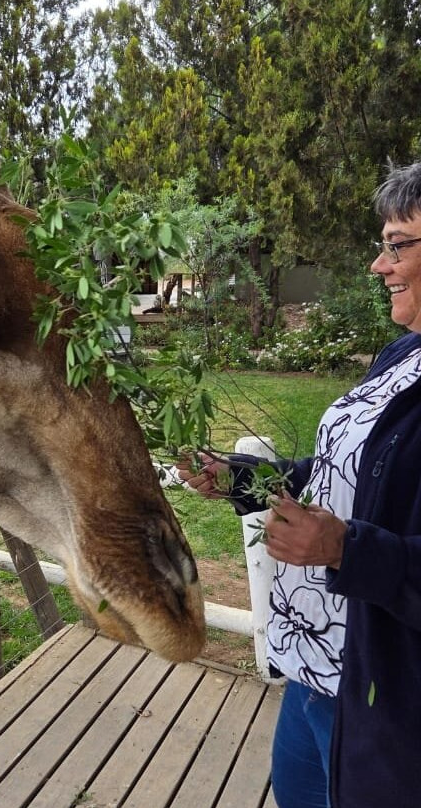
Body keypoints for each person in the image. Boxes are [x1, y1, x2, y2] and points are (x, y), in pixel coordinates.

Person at [177, 162, 421, 808]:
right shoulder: (400, 354)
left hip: (382, 708)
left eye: (397, 244)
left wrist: (342, 550)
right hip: (310, 672)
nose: (379, 264)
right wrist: (240, 480)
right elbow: (336, 475)